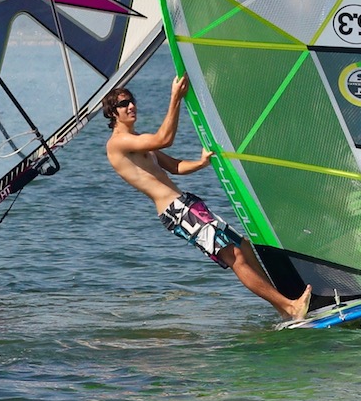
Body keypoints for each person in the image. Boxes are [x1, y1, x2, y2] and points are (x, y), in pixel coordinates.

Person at [103, 75, 311, 321]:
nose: (131, 106)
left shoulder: (138, 141)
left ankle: (283, 308)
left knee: (243, 246)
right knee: (235, 257)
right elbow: (165, 139)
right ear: (112, 113)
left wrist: (201, 163)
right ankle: (290, 307)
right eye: (123, 103)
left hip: (187, 204)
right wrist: (175, 98)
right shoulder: (118, 143)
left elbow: (174, 166)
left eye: (131, 101)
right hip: (177, 212)